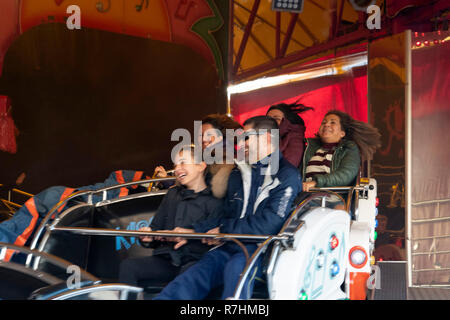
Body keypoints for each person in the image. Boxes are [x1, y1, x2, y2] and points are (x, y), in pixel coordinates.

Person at [154, 116, 302, 300]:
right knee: (194, 275)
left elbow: (270, 223)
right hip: (230, 245)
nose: (241, 143)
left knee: (236, 270)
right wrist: (192, 231)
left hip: (263, 250)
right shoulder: (238, 173)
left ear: (266, 138)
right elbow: (226, 215)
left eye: (246, 137)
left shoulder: (286, 175)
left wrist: (225, 230)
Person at [118, 146, 223, 286]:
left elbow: (213, 242)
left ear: (201, 166)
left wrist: (187, 238)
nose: (177, 169)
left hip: (195, 262)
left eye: (183, 163)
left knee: (186, 276)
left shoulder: (214, 201)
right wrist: (147, 238)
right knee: (129, 266)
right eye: (176, 165)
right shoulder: (172, 195)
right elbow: (155, 229)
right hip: (167, 260)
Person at [153, 114, 242, 198]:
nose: (203, 139)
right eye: (200, 135)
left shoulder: (228, 162)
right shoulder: (205, 158)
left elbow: (211, 191)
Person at [302, 110, 381, 192]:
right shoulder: (309, 148)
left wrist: (316, 182)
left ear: (342, 133)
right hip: (306, 197)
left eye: (332, 122)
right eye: (324, 122)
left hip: (333, 198)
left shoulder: (349, 148)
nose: (326, 124)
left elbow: (345, 174)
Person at [266, 102, 313, 168]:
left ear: (286, 121)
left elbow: (288, 167)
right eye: (267, 119)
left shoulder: (295, 139)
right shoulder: (270, 138)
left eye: (276, 118)